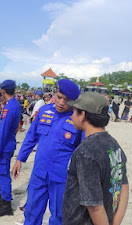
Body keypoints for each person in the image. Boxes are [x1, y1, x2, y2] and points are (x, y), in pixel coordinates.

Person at [12, 79, 81, 225]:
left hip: (62, 177)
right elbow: (31, 136)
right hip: (39, 173)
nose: (61, 102)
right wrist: (20, 159)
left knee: (59, 215)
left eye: (67, 100)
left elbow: (83, 150)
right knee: (31, 210)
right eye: (59, 97)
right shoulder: (44, 111)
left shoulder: (78, 119)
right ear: (55, 93)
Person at [63, 92, 129, 225]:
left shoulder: (86, 153)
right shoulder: (114, 145)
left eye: (74, 111)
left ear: (82, 115)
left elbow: (94, 206)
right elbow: (124, 187)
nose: (71, 115)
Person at [0, 80, 21, 217]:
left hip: (3, 147)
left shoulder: (9, 107)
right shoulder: (15, 105)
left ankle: (6, 204)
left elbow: (4, 131)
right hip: (7, 144)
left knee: (2, 174)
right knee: (0, 173)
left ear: (3, 91)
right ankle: (2, 198)